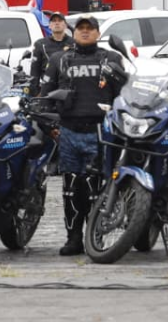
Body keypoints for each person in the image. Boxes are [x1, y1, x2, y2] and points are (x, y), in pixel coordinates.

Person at [40, 13, 126, 256]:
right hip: (68, 132)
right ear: (73, 31)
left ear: (98, 33)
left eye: (90, 28)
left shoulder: (112, 58)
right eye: (80, 28)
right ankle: (73, 239)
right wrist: (48, 125)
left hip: (101, 133)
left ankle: (95, 236)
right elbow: (45, 95)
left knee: (96, 187)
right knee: (71, 188)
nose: (85, 32)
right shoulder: (59, 59)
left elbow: (124, 94)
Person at [26, 11, 74, 97]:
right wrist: (35, 93)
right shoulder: (40, 44)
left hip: (70, 87)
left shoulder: (75, 43)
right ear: (49, 25)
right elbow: (35, 71)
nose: (57, 23)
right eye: (54, 21)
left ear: (65, 25)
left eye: (60, 20)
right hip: (48, 88)